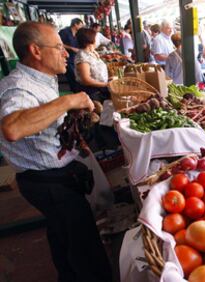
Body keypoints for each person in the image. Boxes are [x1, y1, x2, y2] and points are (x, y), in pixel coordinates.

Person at [0, 21, 112, 281]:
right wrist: (68, 100)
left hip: (53, 176)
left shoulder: (42, 78)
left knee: (64, 238)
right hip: (48, 182)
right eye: (59, 47)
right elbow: (12, 128)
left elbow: (42, 119)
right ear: (36, 51)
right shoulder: (18, 87)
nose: (66, 53)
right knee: (86, 251)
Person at [74, 28, 110, 103]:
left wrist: (107, 80)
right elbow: (86, 80)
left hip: (100, 88)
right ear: (90, 40)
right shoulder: (82, 56)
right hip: (92, 93)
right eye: (95, 37)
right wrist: (105, 84)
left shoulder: (91, 52)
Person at [59, 18, 84, 92]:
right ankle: (75, 92)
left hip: (76, 58)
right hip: (67, 58)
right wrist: (71, 48)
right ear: (75, 24)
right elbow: (59, 44)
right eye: (80, 25)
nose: (81, 27)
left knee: (77, 76)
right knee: (72, 76)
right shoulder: (64, 32)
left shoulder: (78, 33)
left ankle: (77, 91)